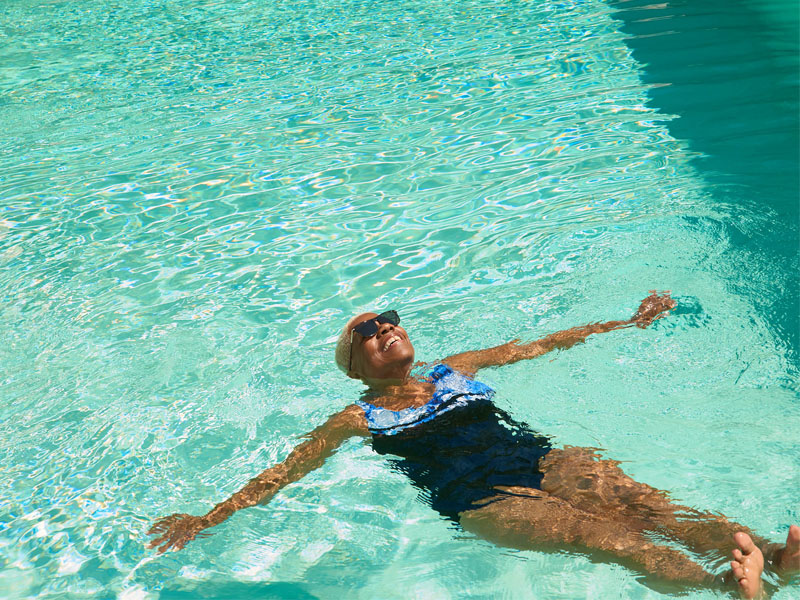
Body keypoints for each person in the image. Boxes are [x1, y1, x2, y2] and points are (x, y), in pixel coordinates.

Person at [148, 292, 799, 598]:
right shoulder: (355, 418)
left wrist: (625, 322)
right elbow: (281, 474)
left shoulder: (455, 367)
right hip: (484, 497)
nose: (384, 329)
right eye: (367, 331)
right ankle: (730, 591)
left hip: (540, 460)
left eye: (389, 320)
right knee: (610, 540)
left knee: (657, 509)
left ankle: (774, 557)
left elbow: (539, 342)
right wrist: (206, 520)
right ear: (354, 364)